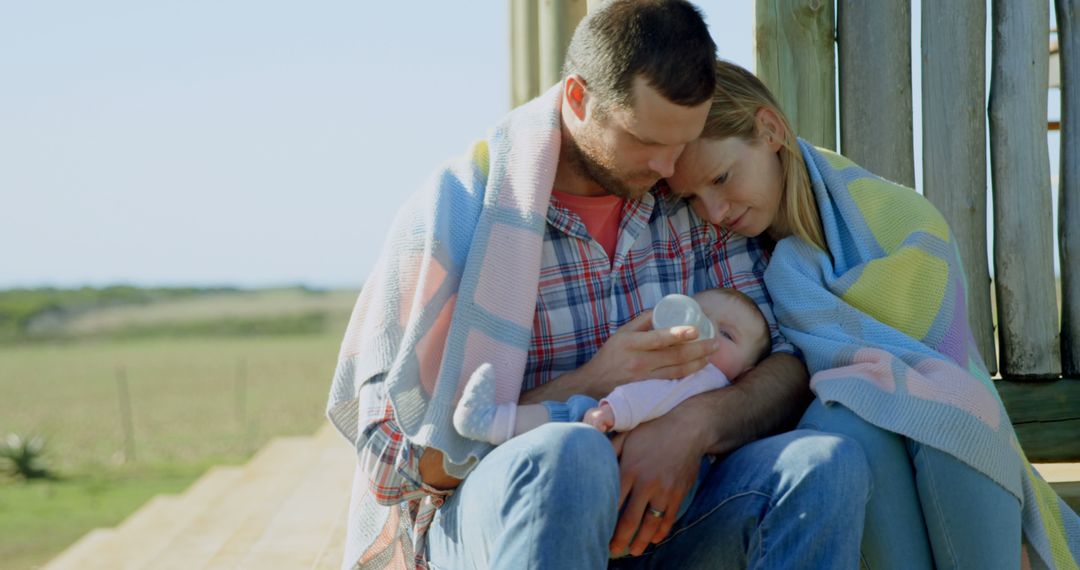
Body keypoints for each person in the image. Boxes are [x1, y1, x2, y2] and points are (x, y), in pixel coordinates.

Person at [327, 2, 870, 568]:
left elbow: (784, 362)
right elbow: (400, 467)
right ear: (579, 98)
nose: (668, 167)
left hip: (674, 517)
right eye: (645, 140)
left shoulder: (693, 201)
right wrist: (596, 380)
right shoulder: (462, 213)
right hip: (499, 522)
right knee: (573, 455)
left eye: (681, 142)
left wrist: (693, 426)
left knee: (826, 465)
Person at [666, 58, 1080, 569]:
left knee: (948, 405)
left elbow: (944, 359)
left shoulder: (899, 220)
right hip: (822, 458)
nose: (713, 212)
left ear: (768, 130)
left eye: (721, 178)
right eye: (693, 198)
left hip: (947, 432)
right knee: (844, 415)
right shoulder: (727, 251)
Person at [452, 287, 771, 442]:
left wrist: (613, 411)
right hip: (611, 417)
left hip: (617, 421)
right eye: (699, 316)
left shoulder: (709, 378)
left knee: (566, 413)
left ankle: (492, 421)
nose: (705, 330)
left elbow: (656, 396)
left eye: (726, 334)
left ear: (747, 371)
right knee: (562, 412)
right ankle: (491, 421)